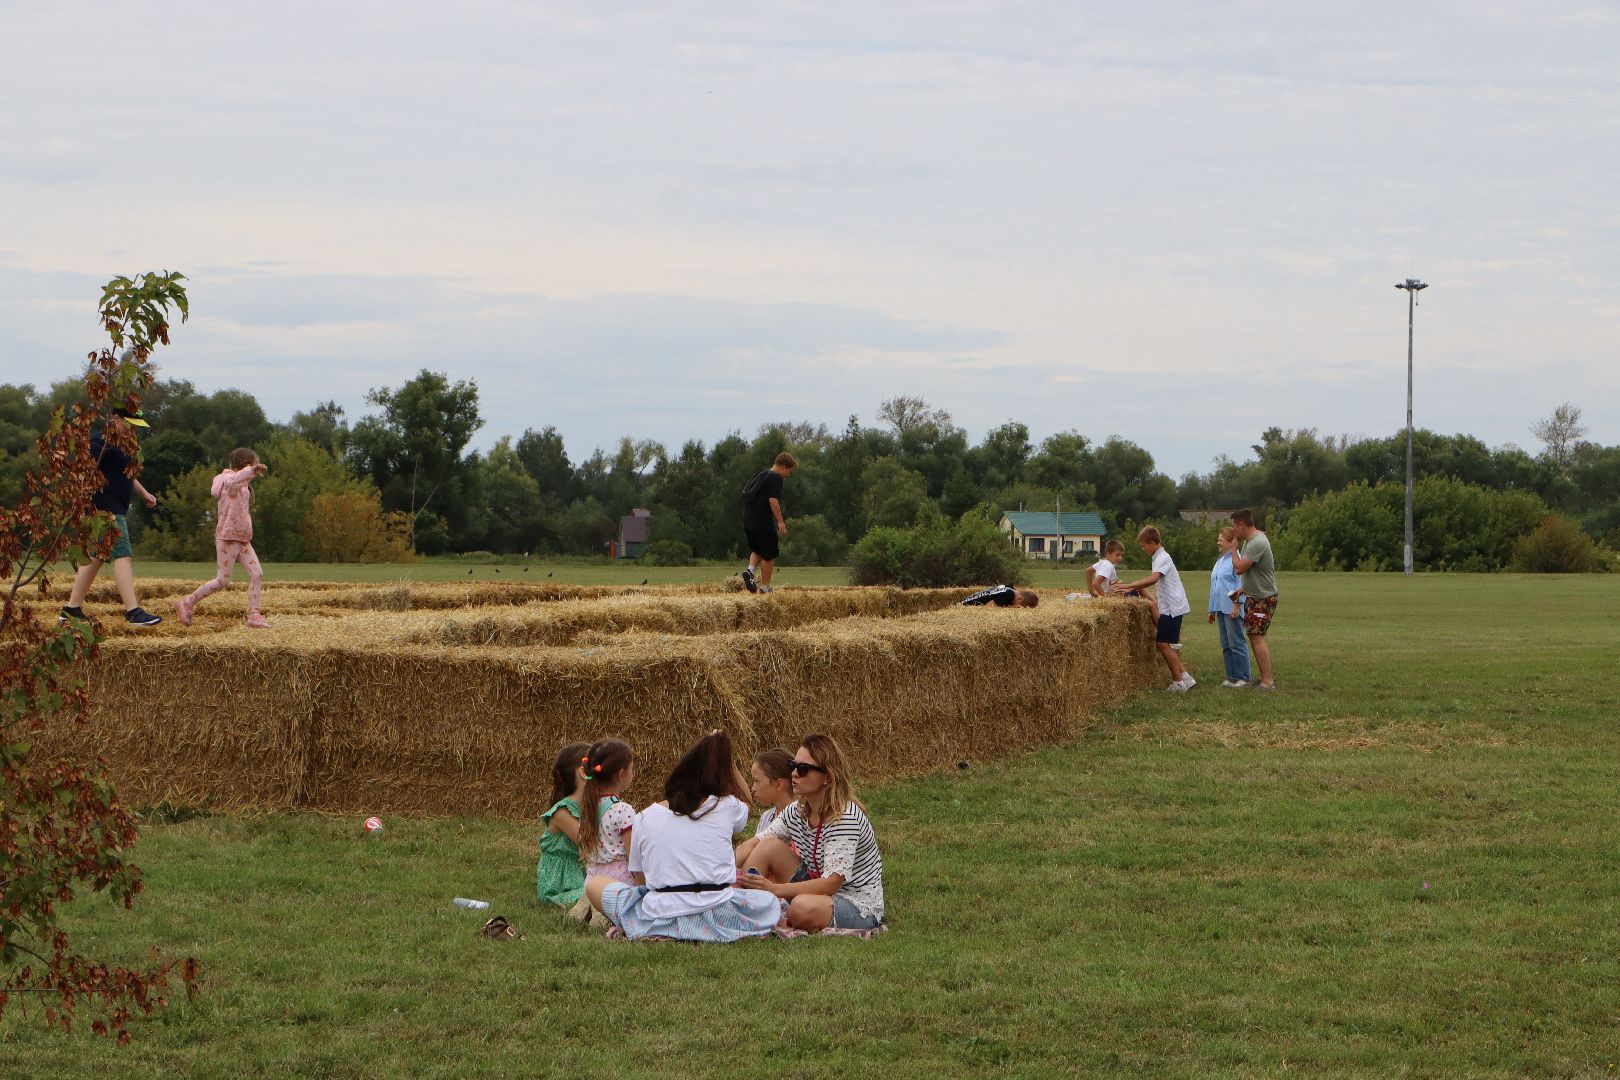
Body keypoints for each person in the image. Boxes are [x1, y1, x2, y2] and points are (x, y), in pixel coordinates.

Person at [585, 730, 780, 942]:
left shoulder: (643, 817)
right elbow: (748, 803)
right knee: (768, 901)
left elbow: (642, 883)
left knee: (594, 884)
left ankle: (664, 928)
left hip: (659, 915)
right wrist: (728, 762)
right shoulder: (726, 805)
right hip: (718, 911)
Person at [735, 733, 885, 932]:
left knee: (801, 908)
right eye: (793, 766)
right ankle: (745, 906)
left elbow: (831, 884)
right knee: (767, 846)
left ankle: (764, 916)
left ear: (827, 777)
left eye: (803, 769)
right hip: (816, 888)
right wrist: (719, 873)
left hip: (854, 904)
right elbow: (757, 841)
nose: (794, 774)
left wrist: (774, 889)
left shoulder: (844, 817)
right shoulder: (797, 810)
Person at [60, 408, 162, 627]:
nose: (133, 429)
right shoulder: (101, 441)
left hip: (114, 506)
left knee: (97, 556)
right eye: (130, 424)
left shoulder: (121, 444)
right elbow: (83, 467)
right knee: (123, 554)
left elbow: (127, 474)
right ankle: (133, 611)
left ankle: (71, 610)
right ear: (116, 418)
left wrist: (144, 494)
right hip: (105, 507)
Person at [174, 448, 271, 629]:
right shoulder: (228, 481)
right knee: (222, 581)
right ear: (246, 465)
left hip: (242, 539)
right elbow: (234, 481)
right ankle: (187, 602)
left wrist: (249, 474)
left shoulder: (243, 485)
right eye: (254, 464)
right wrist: (251, 471)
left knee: (257, 573)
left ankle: (254, 615)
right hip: (227, 538)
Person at [1114, 526, 1196, 692]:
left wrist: (1129, 586)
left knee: (1162, 644)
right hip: (1170, 606)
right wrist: (1133, 587)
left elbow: (1154, 578)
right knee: (1167, 644)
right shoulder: (1159, 557)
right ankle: (1186, 678)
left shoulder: (1162, 557)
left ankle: (1178, 683)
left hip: (1172, 608)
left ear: (1152, 543)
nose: (1143, 549)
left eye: (1144, 545)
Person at [537, 741, 590, 911]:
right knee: (602, 893)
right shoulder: (562, 812)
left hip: (577, 881)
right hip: (558, 889)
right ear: (583, 773)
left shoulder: (586, 808)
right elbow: (590, 844)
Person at [1229, 508, 1278, 691]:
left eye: (1234, 526)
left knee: (1257, 637)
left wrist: (1233, 549)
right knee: (1254, 636)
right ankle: (1264, 678)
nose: (1233, 530)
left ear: (1242, 525)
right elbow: (1254, 572)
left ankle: (1268, 682)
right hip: (1254, 596)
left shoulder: (1257, 542)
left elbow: (1239, 569)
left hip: (1263, 598)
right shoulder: (1250, 541)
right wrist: (1243, 590)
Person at [577, 739, 637, 886]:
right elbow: (634, 858)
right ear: (622, 774)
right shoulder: (623, 811)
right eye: (631, 768)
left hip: (593, 882)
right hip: (620, 885)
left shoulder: (588, 807)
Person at [740, 452, 797, 595]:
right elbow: (773, 500)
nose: (788, 475)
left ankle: (750, 571)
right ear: (783, 467)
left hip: (748, 517)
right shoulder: (776, 478)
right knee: (770, 553)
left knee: (758, 548)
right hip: (762, 519)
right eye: (789, 472)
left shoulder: (762, 474)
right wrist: (780, 522)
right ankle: (765, 588)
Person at [733, 748, 796, 871]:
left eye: (756, 781)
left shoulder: (801, 817)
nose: (753, 788)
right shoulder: (766, 817)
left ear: (778, 784)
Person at [1208, 527, 1252, 688]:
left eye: (1221, 539)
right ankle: (1232, 677)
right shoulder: (1220, 560)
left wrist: (1237, 605)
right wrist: (1212, 609)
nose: (1218, 542)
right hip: (1220, 609)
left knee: (1236, 643)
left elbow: (1241, 584)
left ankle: (1244, 677)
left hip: (1232, 609)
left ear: (1230, 542)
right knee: (1226, 645)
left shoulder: (1236, 560)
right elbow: (1215, 586)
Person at [960, 585, 1038, 607]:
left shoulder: (1008, 588)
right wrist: (1011, 608)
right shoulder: (1009, 595)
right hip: (964, 606)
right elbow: (988, 607)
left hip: (964, 602)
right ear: (1020, 598)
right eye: (1019, 606)